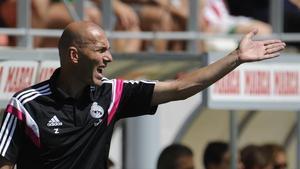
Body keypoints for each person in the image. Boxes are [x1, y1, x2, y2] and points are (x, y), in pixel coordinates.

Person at [0, 21, 285, 168]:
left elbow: (179, 89)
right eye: (100, 50)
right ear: (74, 55)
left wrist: (235, 57)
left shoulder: (110, 94)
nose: (109, 57)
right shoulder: (26, 106)